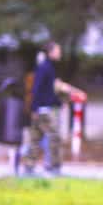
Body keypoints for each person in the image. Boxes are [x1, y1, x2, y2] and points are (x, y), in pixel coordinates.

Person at [23, 41, 85, 176]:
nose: (60, 53)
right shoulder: (45, 68)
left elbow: (50, 90)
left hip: (43, 108)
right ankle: (54, 168)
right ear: (50, 52)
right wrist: (35, 108)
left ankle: (29, 167)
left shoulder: (48, 67)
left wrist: (59, 101)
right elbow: (38, 89)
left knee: (35, 138)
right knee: (54, 138)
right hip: (44, 110)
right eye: (57, 50)